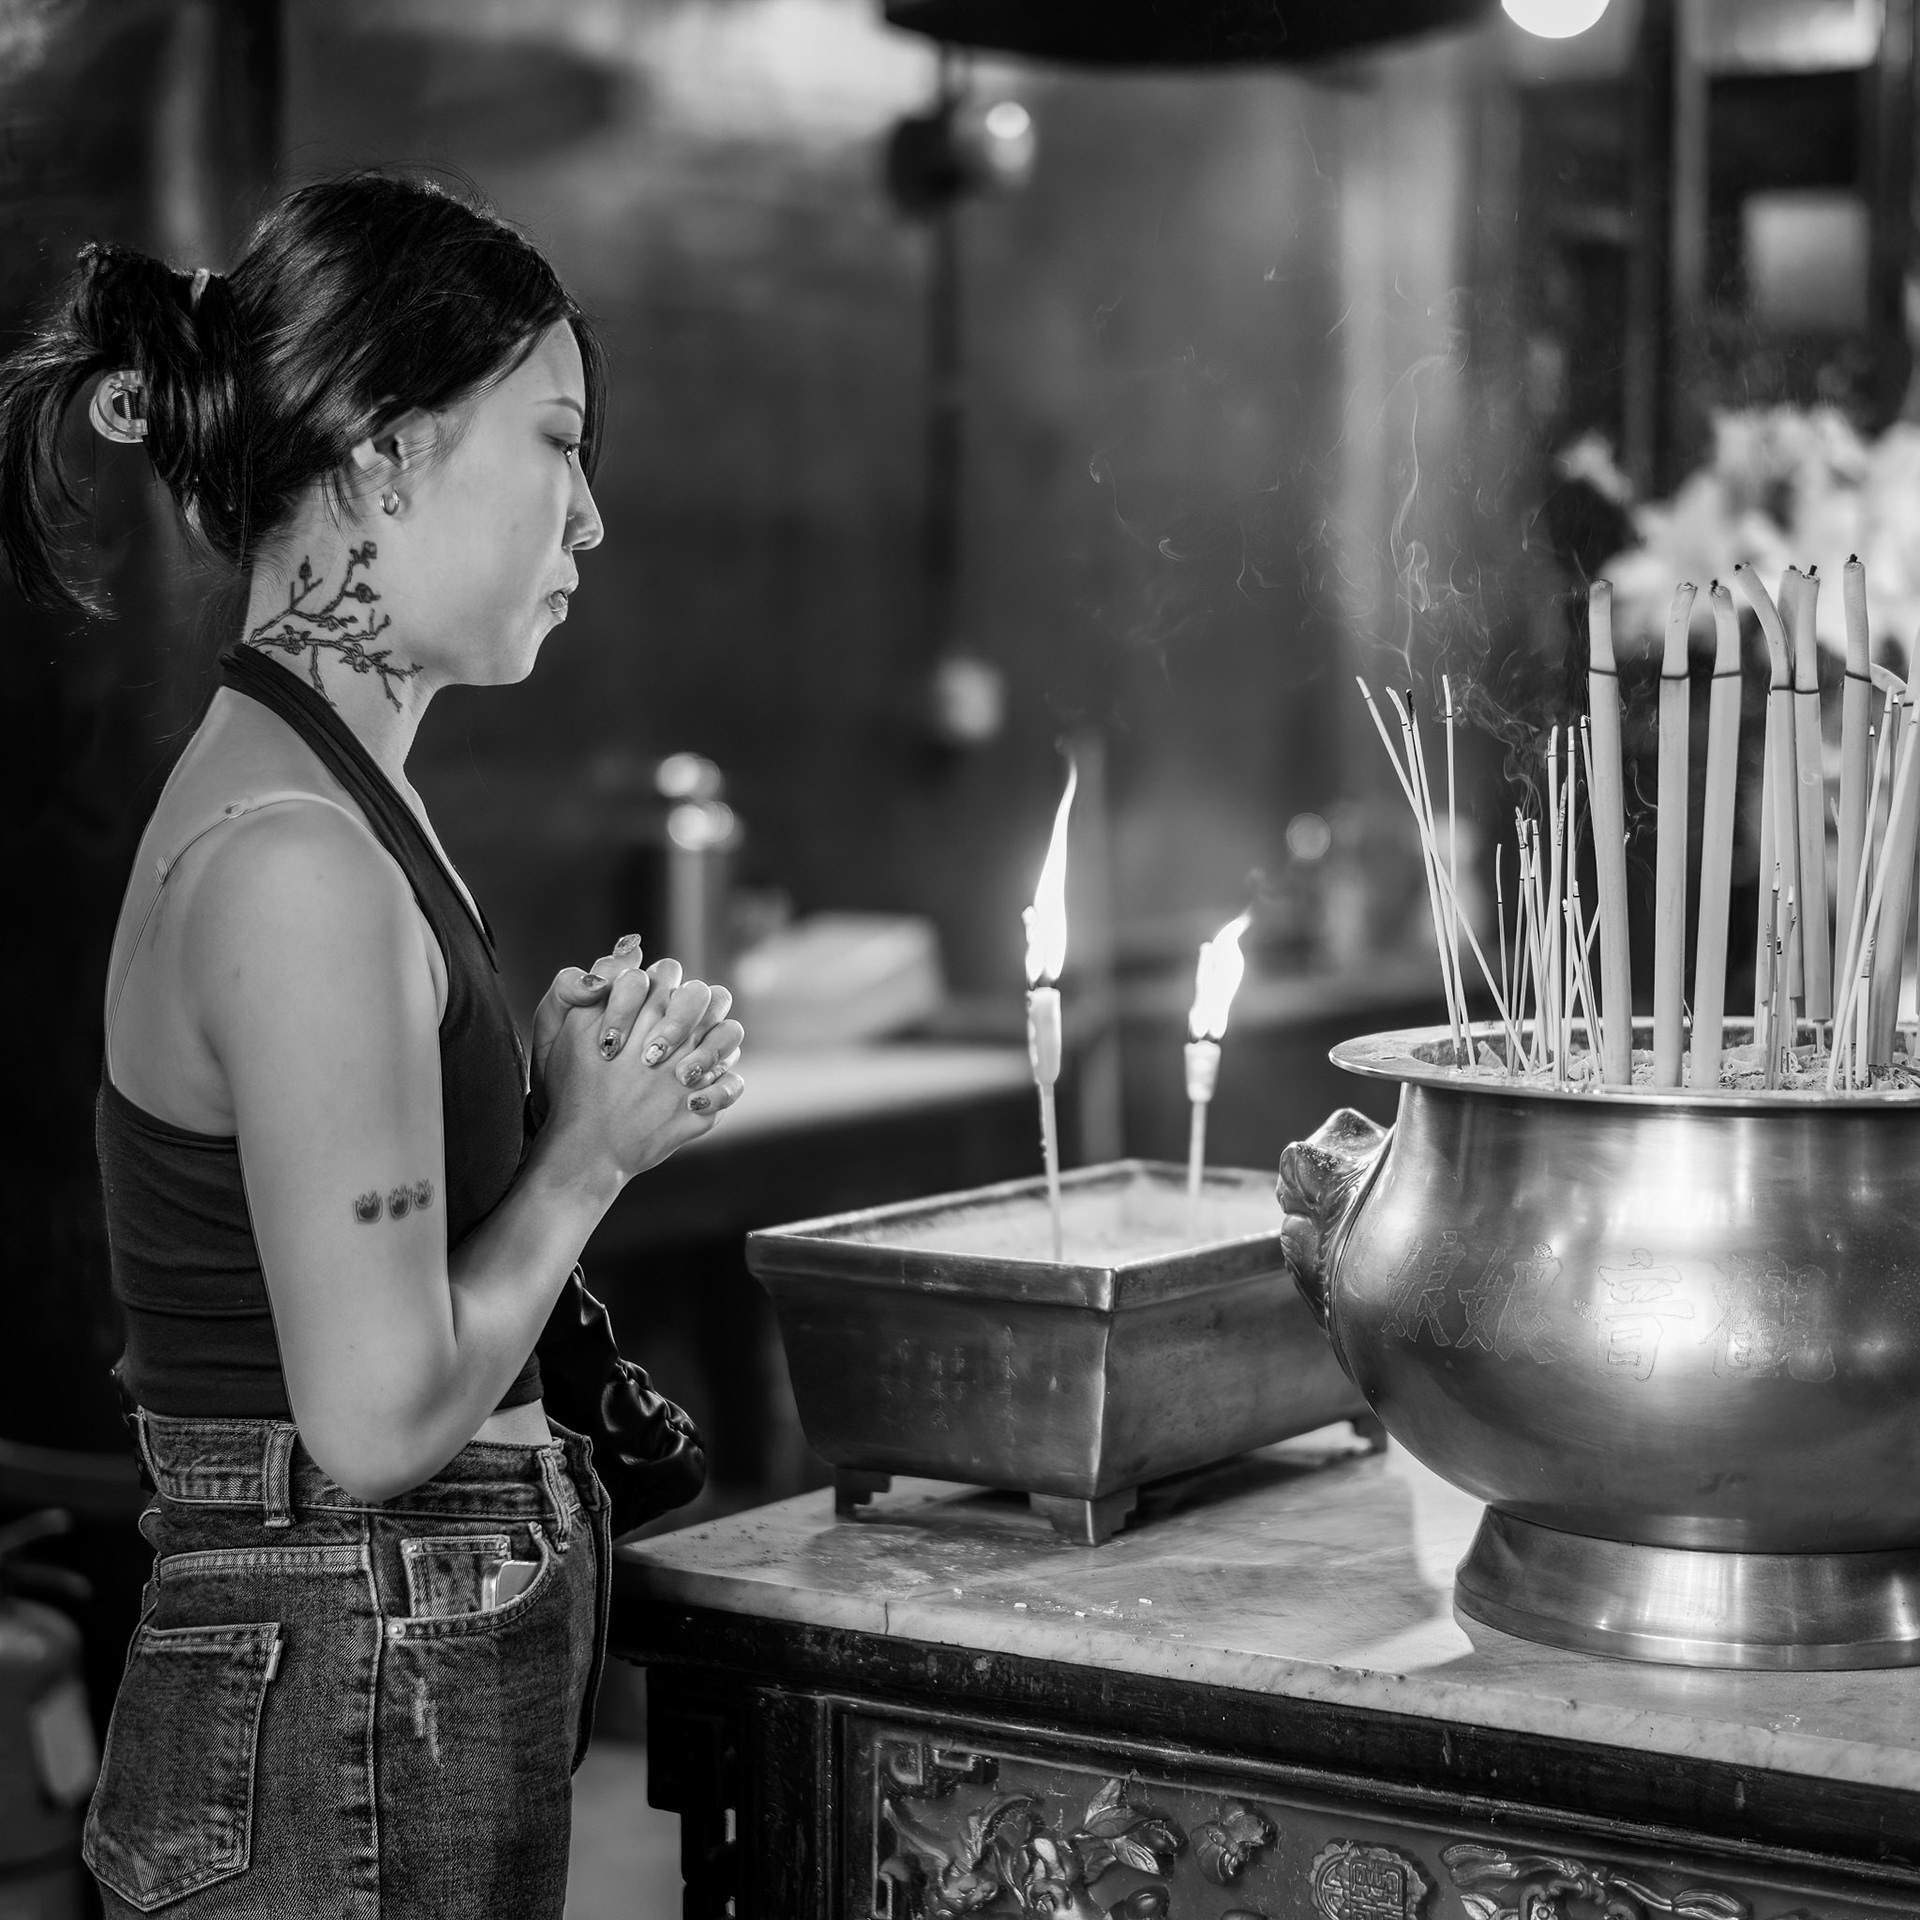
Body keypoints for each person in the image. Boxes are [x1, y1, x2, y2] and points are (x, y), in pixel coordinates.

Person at [0, 173, 743, 1915]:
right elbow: (377, 1416)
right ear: (393, 451)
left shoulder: (336, 790)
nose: (591, 520)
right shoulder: (294, 856)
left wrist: (537, 1099)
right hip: (333, 1728)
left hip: (362, 1699)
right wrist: (586, 1153)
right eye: (556, 441)